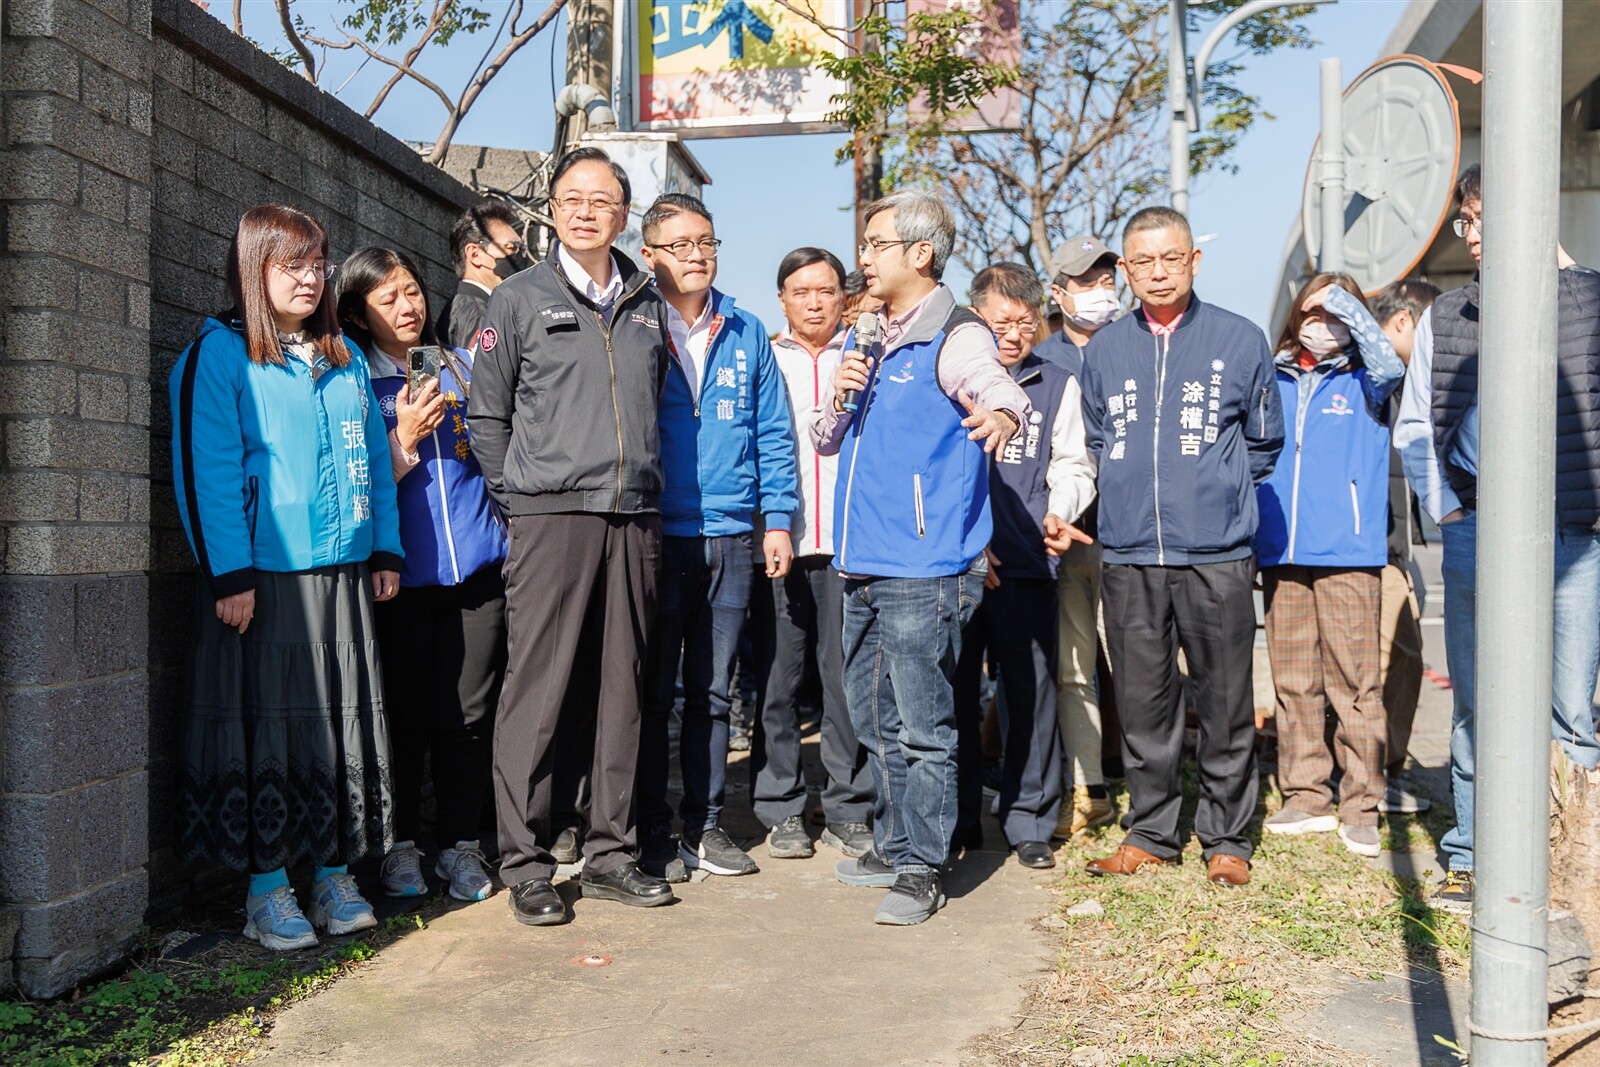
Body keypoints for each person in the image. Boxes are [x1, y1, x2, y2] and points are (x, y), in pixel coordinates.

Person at [170, 204, 401, 950]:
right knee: (268, 734)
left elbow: (377, 461)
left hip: (342, 569)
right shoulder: (220, 353)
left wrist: (385, 548)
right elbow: (204, 466)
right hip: (263, 578)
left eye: (318, 263)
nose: (310, 278)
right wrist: (227, 571)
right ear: (253, 270)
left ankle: (333, 872)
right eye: (291, 264)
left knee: (338, 728)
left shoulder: (343, 358)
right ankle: (267, 888)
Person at [468, 146, 675, 926]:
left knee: (623, 685)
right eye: (572, 198)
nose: (587, 210)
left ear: (625, 214)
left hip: (633, 515)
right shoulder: (518, 299)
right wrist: (518, 496)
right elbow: (486, 413)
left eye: (603, 199)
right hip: (551, 515)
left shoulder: (648, 301)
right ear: (551, 209)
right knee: (540, 687)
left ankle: (612, 850)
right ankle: (523, 860)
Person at [812, 189, 1029, 925]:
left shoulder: (955, 333)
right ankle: (895, 838)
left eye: (875, 243)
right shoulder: (867, 332)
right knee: (875, 721)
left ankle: (923, 866)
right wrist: (838, 396)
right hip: (862, 562)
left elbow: (994, 385)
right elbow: (824, 439)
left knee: (924, 725)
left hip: (923, 568)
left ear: (920, 253)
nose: (863, 257)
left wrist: (1003, 411)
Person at [1393, 165, 1600, 912]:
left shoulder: (1590, 301)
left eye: (1484, 219)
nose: (1473, 236)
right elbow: (1416, 425)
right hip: (1477, 529)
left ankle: (1567, 859)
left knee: (1570, 707)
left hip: (1574, 535)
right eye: (1467, 222)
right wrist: (1448, 510)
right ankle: (1474, 854)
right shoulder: (1449, 316)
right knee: (1480, 704)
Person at [1080, 205, 1284, 888]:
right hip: (1130, 551)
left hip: (1216, 553)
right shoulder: (1105, 350)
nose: (1158, 272)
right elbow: (1098, 438)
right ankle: (1152, 830)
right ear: (1125, 270)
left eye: (1171, 258)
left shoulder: (1239, 338)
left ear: (1195, 260)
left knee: (1225, 698)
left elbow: (1262, 441)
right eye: (1143, 261)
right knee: (1144, 700)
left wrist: (1216, 493)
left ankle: (1226, 836)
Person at [335, 246, 508, 903]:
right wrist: (403, 436)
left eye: (412, 290)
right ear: (357, 312)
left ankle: (462, 845)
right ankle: (402, 846)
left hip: (477, 572)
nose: (408, 307)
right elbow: (359, 483)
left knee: (465, 717)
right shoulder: (351, 382)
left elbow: (496, 453)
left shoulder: (461, 368)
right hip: (398, 580)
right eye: (388, 298)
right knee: (404, 719)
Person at [635, 193, 799, 880]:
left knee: (711, 689)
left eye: (707, 242)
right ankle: (646, 829)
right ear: (650, 256)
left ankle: (703, 824)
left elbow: (773, 431)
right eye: (681, 244)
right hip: (653, 532)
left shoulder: (746, 329)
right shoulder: (634, 324)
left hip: (731, 536)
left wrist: (779, 517)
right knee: (645, 688)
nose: (697, 254)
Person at [1255, 273, 1404, 858]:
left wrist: (1342, 302)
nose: (1322, 322)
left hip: (1348, 550)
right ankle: (1305, 793)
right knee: (1294, 681)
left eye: (1336, 313)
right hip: (1281, 548)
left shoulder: (1367, 377)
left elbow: (1391, 364)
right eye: (1313, 310)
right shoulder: (1275, 375)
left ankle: (1361, 803)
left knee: (1356, 684)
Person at [968, 263, 1097, 869]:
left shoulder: (1056, 382)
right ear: (977, 318)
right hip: (960, 565)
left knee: (1032, 692)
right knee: (953, 693)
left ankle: (1029, 820)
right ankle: (958, 816)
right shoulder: (954, 377)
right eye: (1001, 321)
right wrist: (970, 540)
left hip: (1027, 563)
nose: (1014, 333)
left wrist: (1059, 510)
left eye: (1024, 322)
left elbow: (1074, 464)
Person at [749, 246, 875, 861]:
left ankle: (850, 804)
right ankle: (781, 806)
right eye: (801, 292)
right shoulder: (764, 358)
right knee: (777, 678)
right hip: (781, 542)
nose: (815, 302)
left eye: (826, 290)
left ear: (843, 296)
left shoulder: (866, 355)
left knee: (844, 679)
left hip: (851, 543)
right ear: (783, 299)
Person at [1035, 235, 1122, 840]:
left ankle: (1148, 789)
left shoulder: (1140, 347)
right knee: (1073, 668)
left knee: (1142, 668)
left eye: (1105, 279)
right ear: (1058, 292)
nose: (1099, 292)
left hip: (1134, 537)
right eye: (1084, 282)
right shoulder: (1040, 360)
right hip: (1067, 539)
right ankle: (1085, 788)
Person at [1368, 279, 1441, 816]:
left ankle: (1383, 771)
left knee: (1402, 661)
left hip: (1396, 548)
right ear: (1401, 324)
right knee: (1390, 662)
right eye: (1432, 329)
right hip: (1368, 548)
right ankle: (1374, 775)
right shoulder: (1374, 378)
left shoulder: (1407, 383)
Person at [436, 201, 527, 351]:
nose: (519, 255)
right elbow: (483, 372)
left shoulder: (485, 307)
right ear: (475, 254)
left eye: (522, 249)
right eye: (511, 247)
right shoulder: (476, 313)